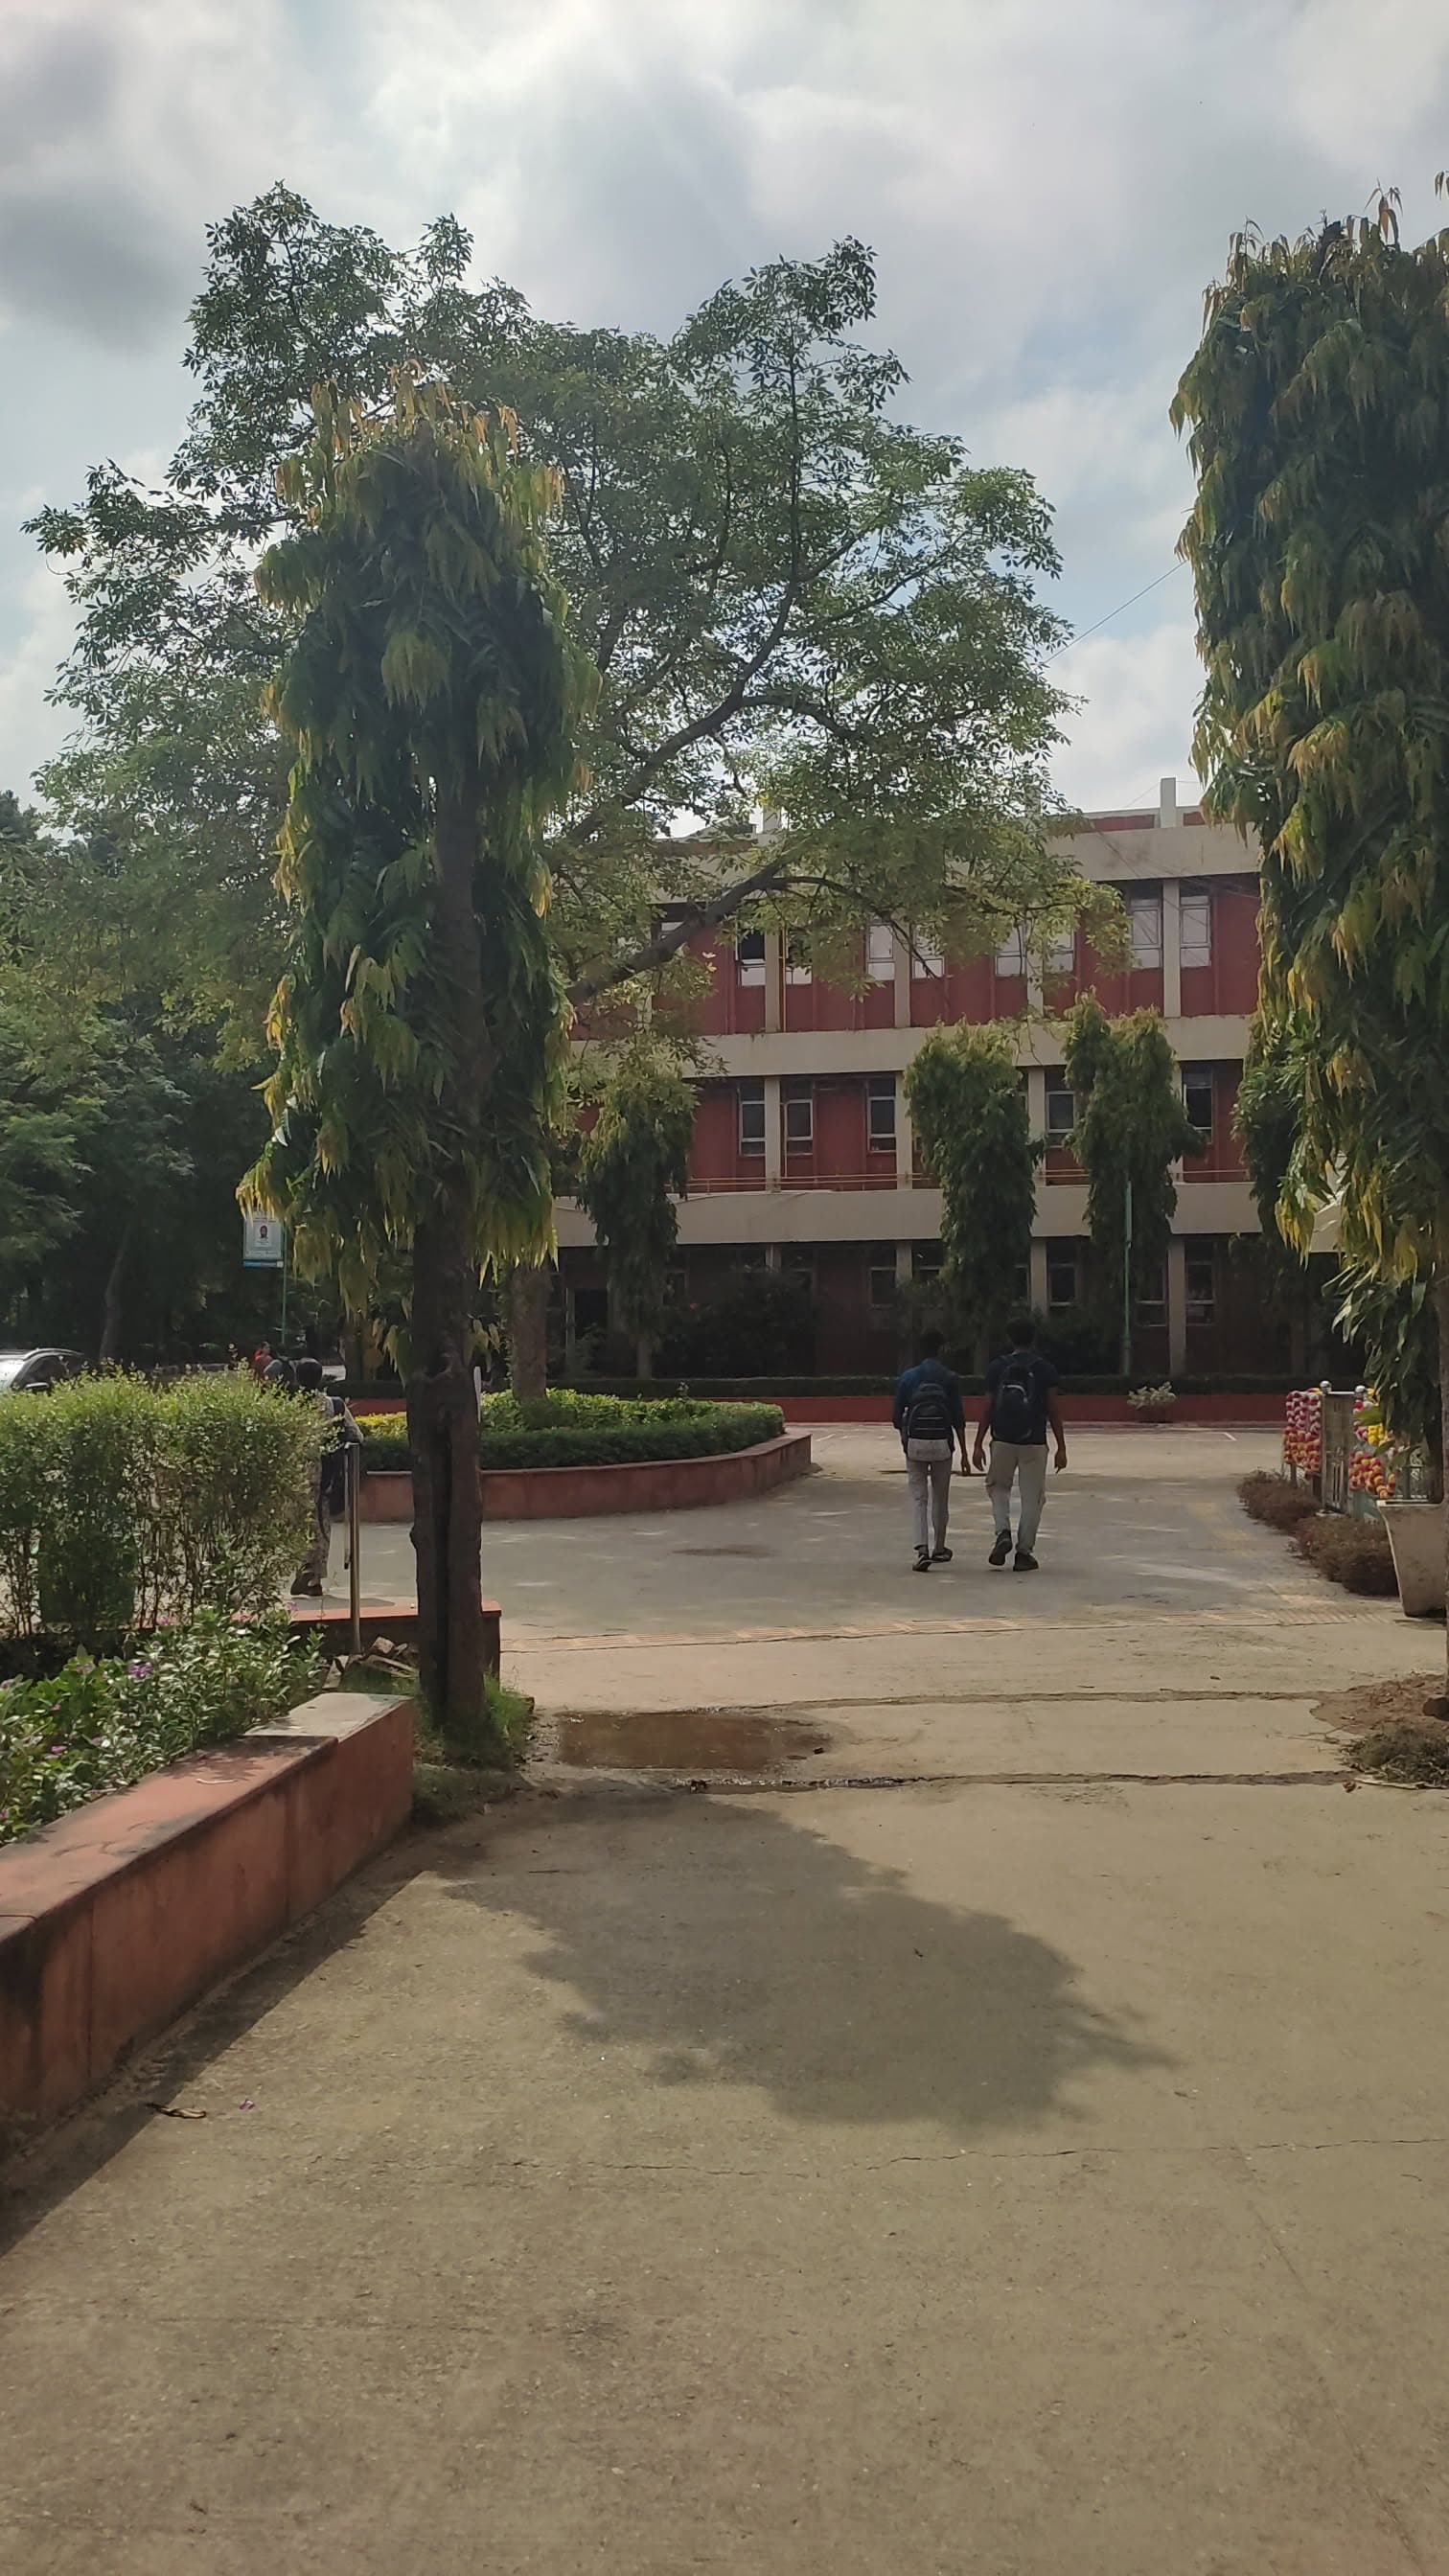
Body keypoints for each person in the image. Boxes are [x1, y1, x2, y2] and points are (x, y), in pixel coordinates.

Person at [973, 1315, 1068, 1572]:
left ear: (1009, 1338)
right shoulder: (1045, 1369)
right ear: (1033, 1338)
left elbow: (988, 1408)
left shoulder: (997, 1367)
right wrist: (1061, 1446)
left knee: (998, 1488)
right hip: (1034, 1441)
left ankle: (1002, 1531)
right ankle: (1024, 1552)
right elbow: (1053, 1409)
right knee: (1032, 1498)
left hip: (1001, 1438)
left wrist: (978, 1443)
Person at [892, 1327, 967, 1574]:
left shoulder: (908, 1377)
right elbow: (958, 1419)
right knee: (940, 1497)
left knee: (918, 1497)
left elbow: (895, 1418)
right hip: (942, 1445)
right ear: (941, 1349)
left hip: (915, 1445)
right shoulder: (950, 1378)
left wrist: (905, 1436)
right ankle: (940, 1548)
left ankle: (921, 1549)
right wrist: (965, 1453)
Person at [290, 1357, 362, 1597]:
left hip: (292, 1479)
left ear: (297, 1379)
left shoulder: (287, 1405)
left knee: (298, 1527)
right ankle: (312, 1576)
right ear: (320, 1378)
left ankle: (306, 1574)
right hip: (325, 1477)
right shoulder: (335, 1406)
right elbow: (356, 1436)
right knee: (321, 1527)